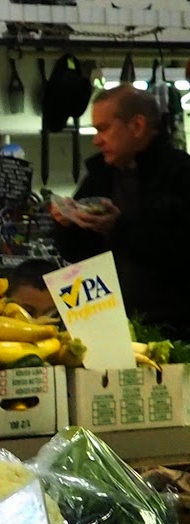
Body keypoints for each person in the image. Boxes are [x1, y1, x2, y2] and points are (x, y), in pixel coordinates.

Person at [51, 84, 190, 339]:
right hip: (109, 329)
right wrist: (67, 224)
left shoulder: (181, 173)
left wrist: (120, 226)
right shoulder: (99, 177)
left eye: (103, 129)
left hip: (178, 332)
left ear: (137, 126)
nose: (96, 140)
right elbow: (76, 255)